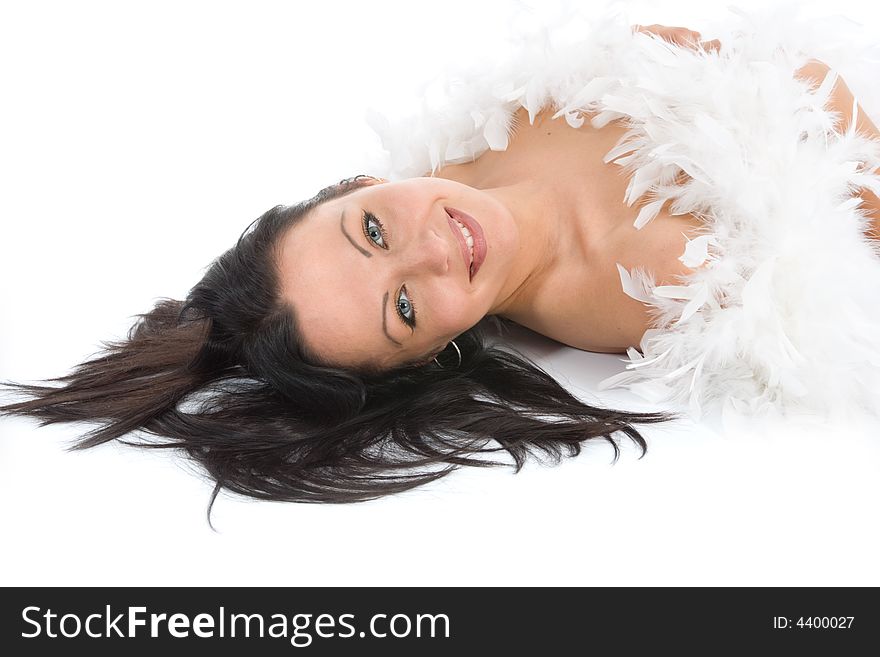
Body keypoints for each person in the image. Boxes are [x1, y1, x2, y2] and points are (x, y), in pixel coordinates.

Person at [2, 16, 879, 510]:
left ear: (355, 183)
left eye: (372, 231)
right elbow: (852, 179)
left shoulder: (472, 132)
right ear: (435, 353)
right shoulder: (655, 269)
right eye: (406, 311)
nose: (433, 249)